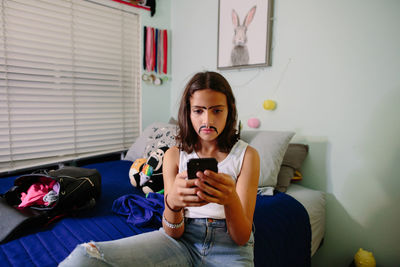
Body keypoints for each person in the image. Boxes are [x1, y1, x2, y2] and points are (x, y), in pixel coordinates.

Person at [59, 71, 260, 267]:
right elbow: (173, 232)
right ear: (188, 112)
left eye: (217, 110)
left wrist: (230, 199)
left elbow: (241, 238)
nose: (207, 120)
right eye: (198, 110)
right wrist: (172, 203)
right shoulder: (174, 155)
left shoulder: (247, 156)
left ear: (229, 110)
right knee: (84, 257)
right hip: (181, 242)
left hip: (229, 248)